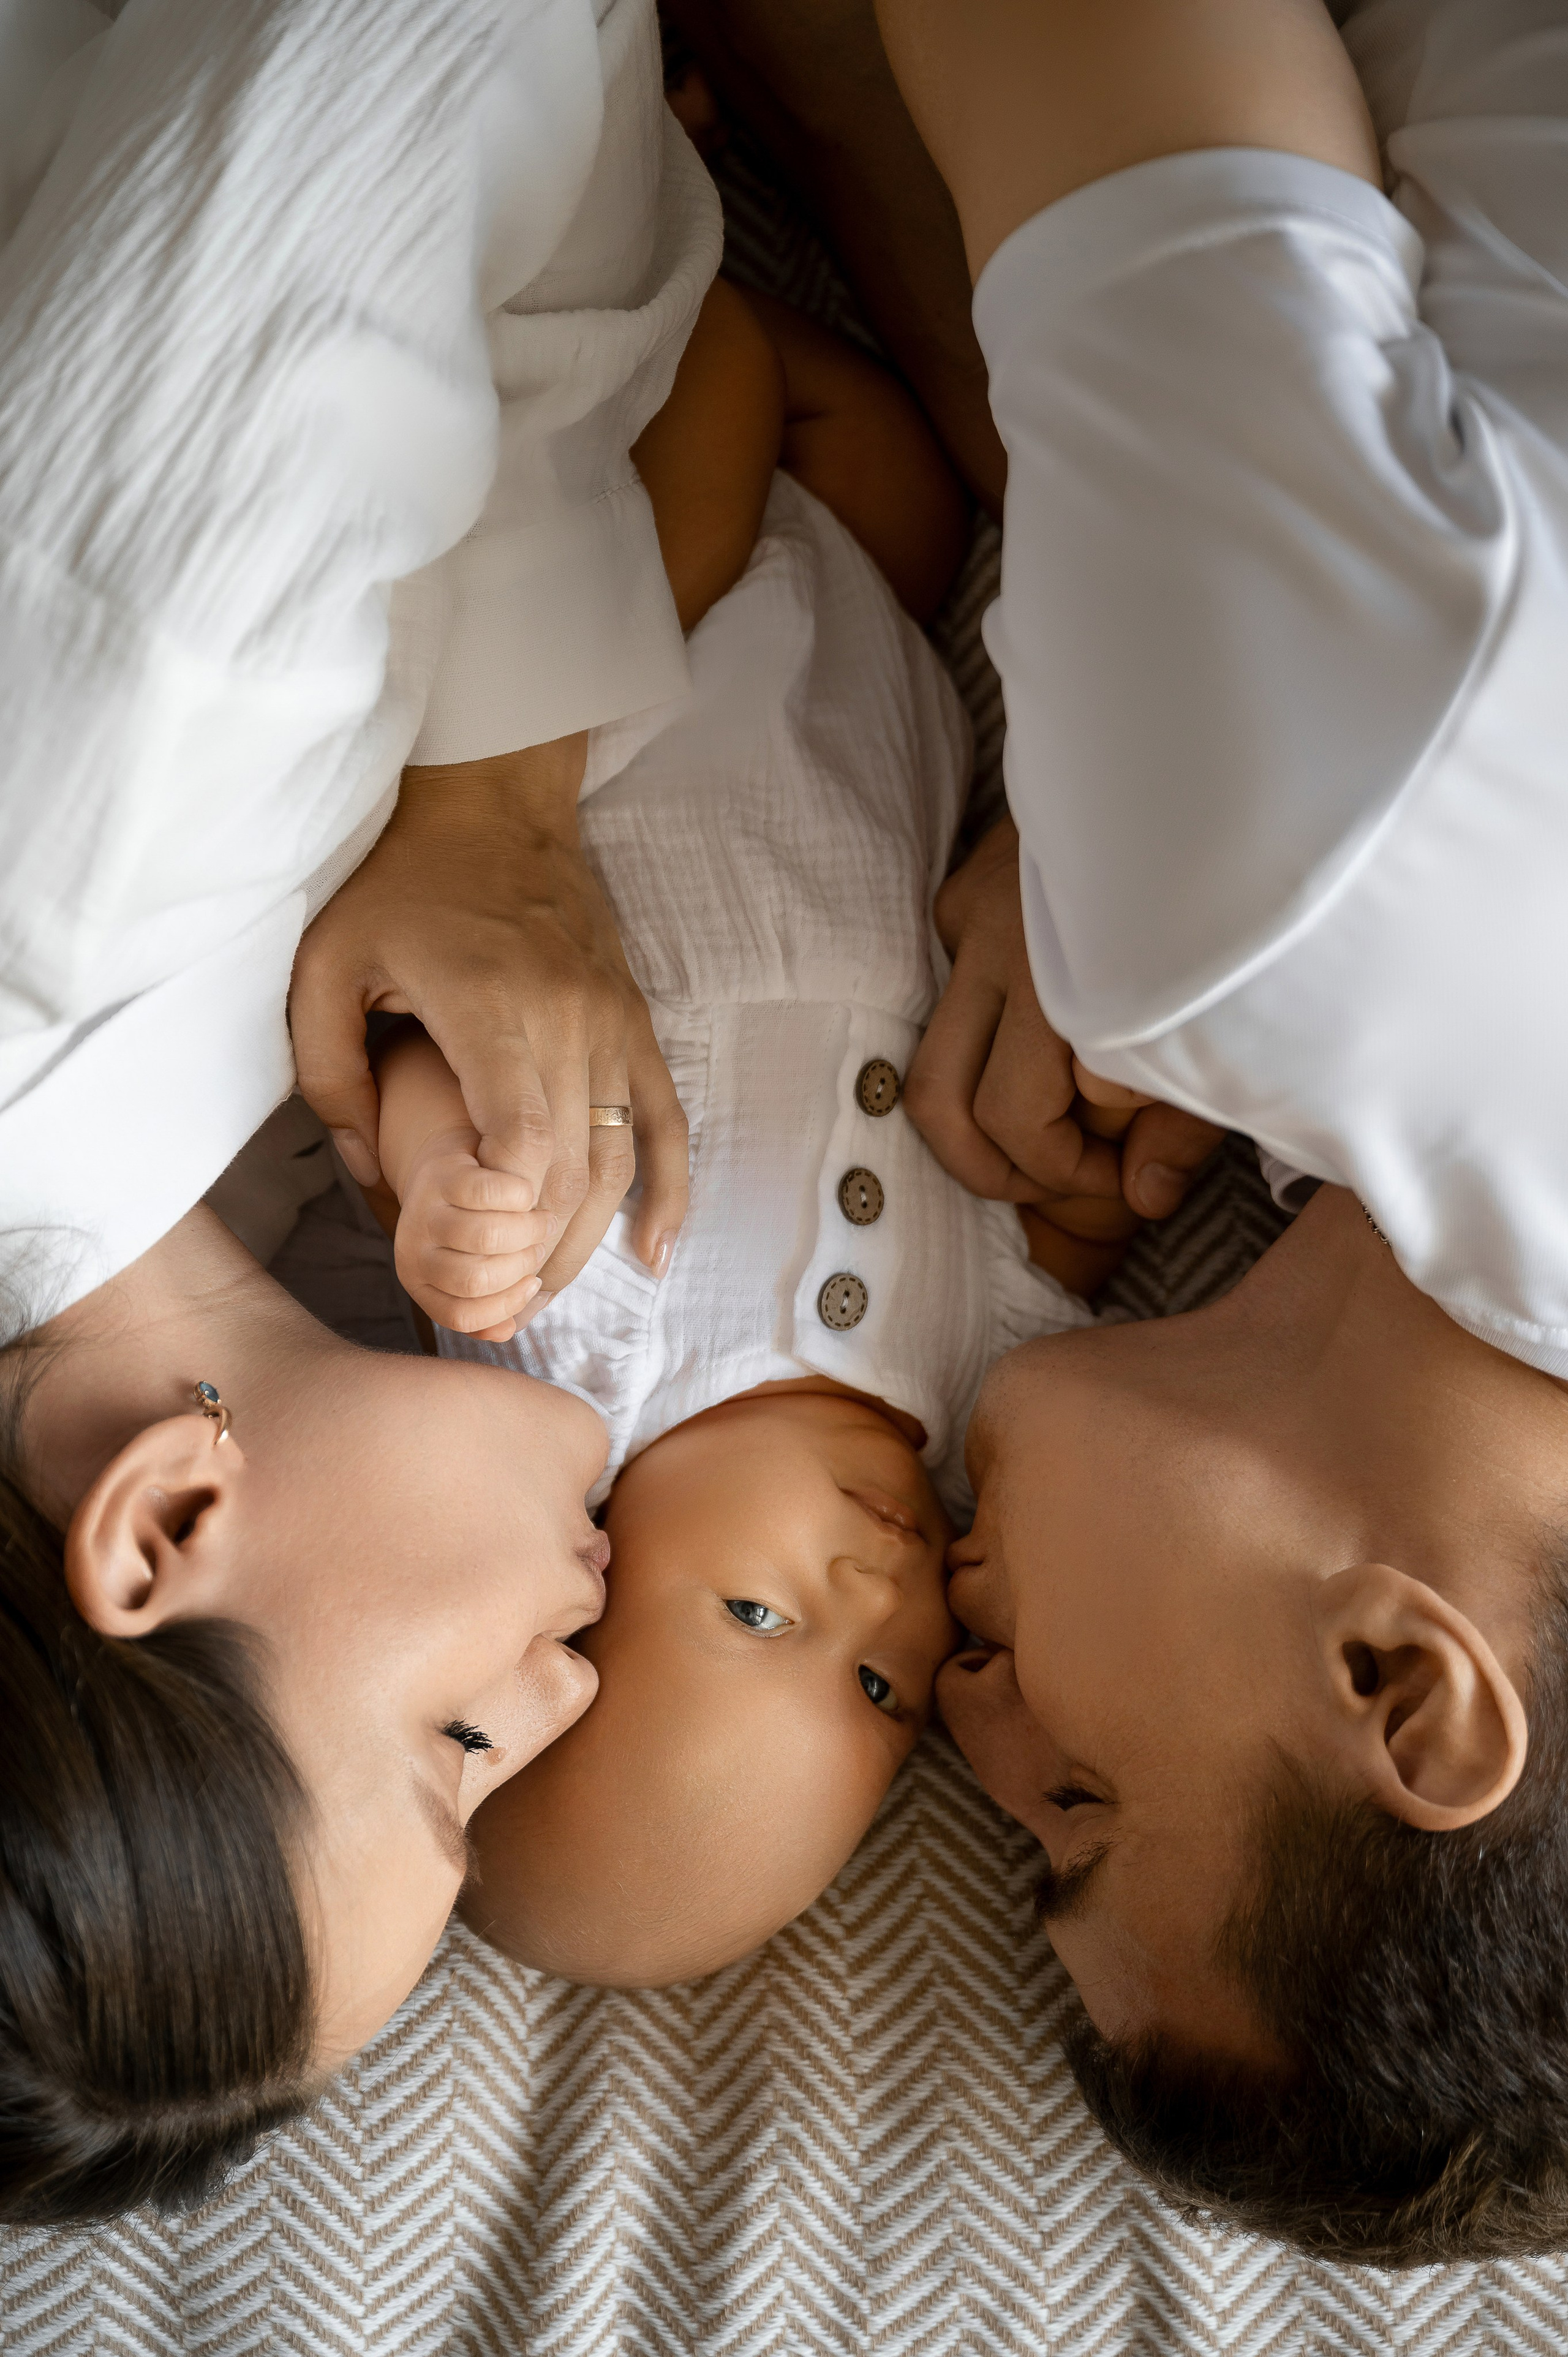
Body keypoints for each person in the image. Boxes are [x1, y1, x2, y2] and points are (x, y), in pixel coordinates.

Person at [859, 0, 1568, 2266]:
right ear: (1397, 1682)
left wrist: (1084, 673)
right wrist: (1122, 811)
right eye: (1078, 1807)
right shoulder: (1275, 920)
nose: (959, 1720)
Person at [0, 0, 719, 2220]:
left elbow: (415, 40)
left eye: (455, 1751)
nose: (572, 1703)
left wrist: (500, 802)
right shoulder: (204, 1148)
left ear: (163, 1531)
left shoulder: (100, 828)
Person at [363, 281, 1093, 1986]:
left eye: (764, 1616)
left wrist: (439, 1177)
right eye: (884, 1686)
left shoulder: (579, 1371)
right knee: (902, 483)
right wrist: (1103, 1163)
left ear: (586, 1571)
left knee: (705, 391)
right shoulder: (984, 1399)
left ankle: (639, 262)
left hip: (627, 727)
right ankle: (676, 276)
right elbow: (1059, 1207)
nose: (878, 1591)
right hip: (866, 690)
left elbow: (444, 1046)